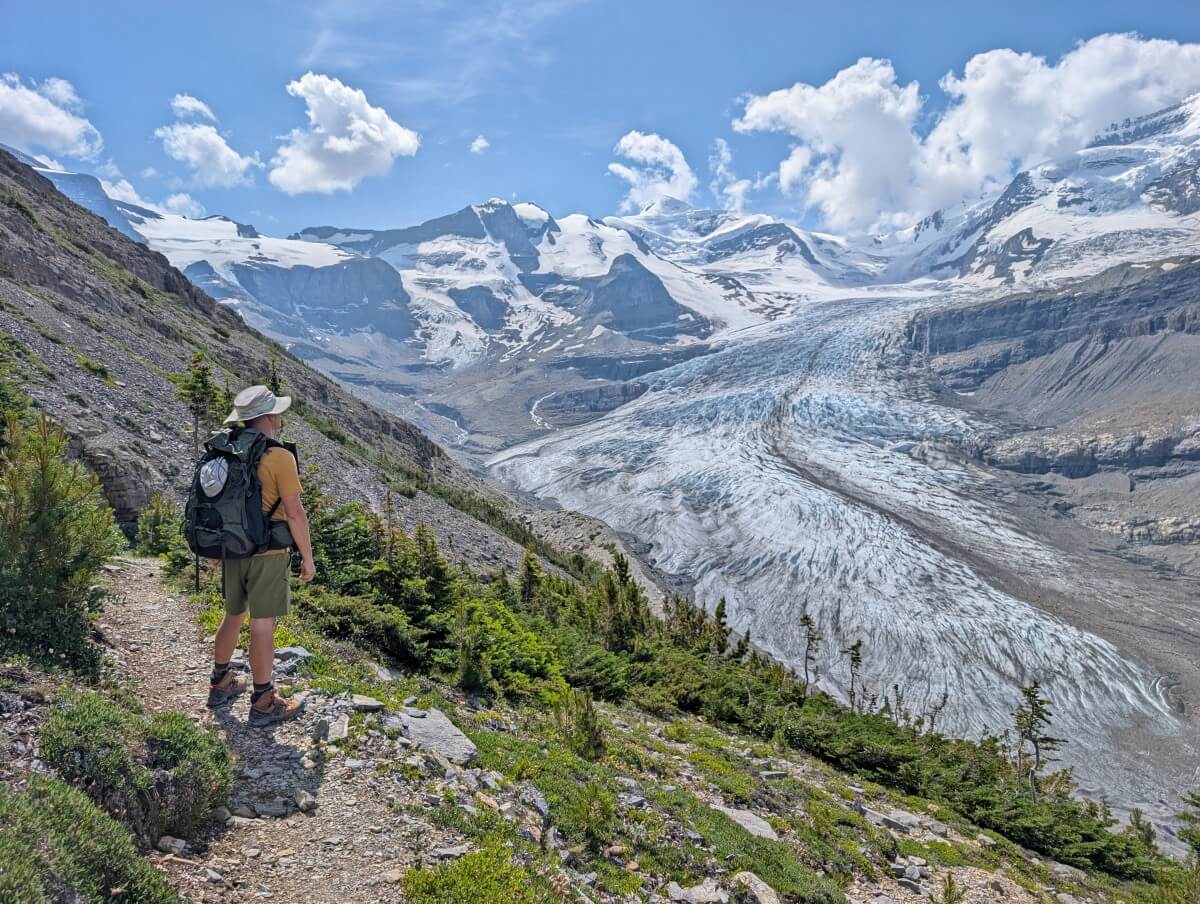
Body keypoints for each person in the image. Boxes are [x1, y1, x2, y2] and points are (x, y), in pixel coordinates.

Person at [206, 385, 316, 725]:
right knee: (263, 626)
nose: (280, 416)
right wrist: (308, 558)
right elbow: (295, 513)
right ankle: (264, 700)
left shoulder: (226, 452)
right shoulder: (280, 457)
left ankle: (220, 682)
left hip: (234, 547)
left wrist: (218, 548)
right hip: (269, 550)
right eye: (277, 412)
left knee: (233, 615)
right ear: (268, 417)